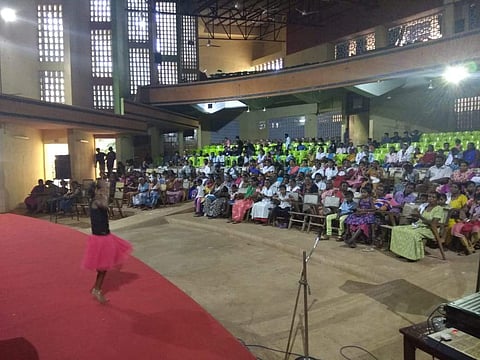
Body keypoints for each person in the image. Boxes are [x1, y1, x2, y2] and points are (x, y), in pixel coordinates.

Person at [81, 180, 132, 304]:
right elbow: (105, 204)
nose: (105, 191)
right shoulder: (97, 202)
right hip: (101, 238)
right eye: (103, 189)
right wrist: (104, 191)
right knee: (103, 268)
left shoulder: (96, 201)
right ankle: (97, 289)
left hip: (103, 235)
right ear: (97, 191)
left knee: (103, 267)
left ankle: (96, 288)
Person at [389, 192, 444, 261]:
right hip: (419, 226)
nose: (431, 199)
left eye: (433, 197)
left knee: (412, 234)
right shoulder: (426, 206)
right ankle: (402, 252)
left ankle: (413, 256)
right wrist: (415, 215)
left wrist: (419, 216)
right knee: (397, 229)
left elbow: (433, 223)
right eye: (429, 197)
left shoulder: (438, 209)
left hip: (429, 229)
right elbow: (420, 219)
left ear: (438, 200)